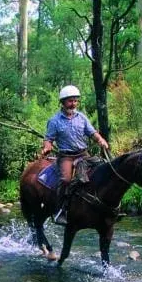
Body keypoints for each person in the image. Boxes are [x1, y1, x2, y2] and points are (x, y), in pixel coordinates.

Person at [39, 85, 109, 225]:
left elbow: (92, 133)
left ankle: (104, 206)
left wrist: (101, 140)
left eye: (76, 101)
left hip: (83, 154)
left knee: (103, 169)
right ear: (63, 102)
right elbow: (49, 139)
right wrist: (47, 148)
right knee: (65, 180)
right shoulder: (55, 121)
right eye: (70, 101)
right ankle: (60, 210)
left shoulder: (82, 117)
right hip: (66, 156)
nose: (73, 104)